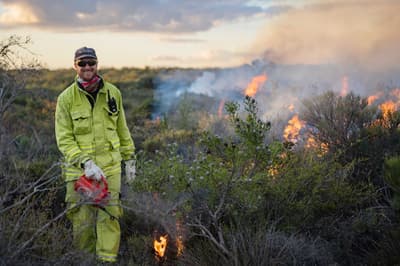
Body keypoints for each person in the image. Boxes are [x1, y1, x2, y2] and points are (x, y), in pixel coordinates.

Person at [55, 46, 136, 263]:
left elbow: (122, 129)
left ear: (97, 64)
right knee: (82, 224)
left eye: (91, 63)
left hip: (110, 169)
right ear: (75, 66)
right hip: (78, 173)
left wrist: (130, 159)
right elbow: (64, 139)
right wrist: (86, 162)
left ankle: (106, 262)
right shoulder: (65, 99)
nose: (87, 67)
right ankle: (84, 261)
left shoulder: (113, 93)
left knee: (110, 219)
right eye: (82, 63)